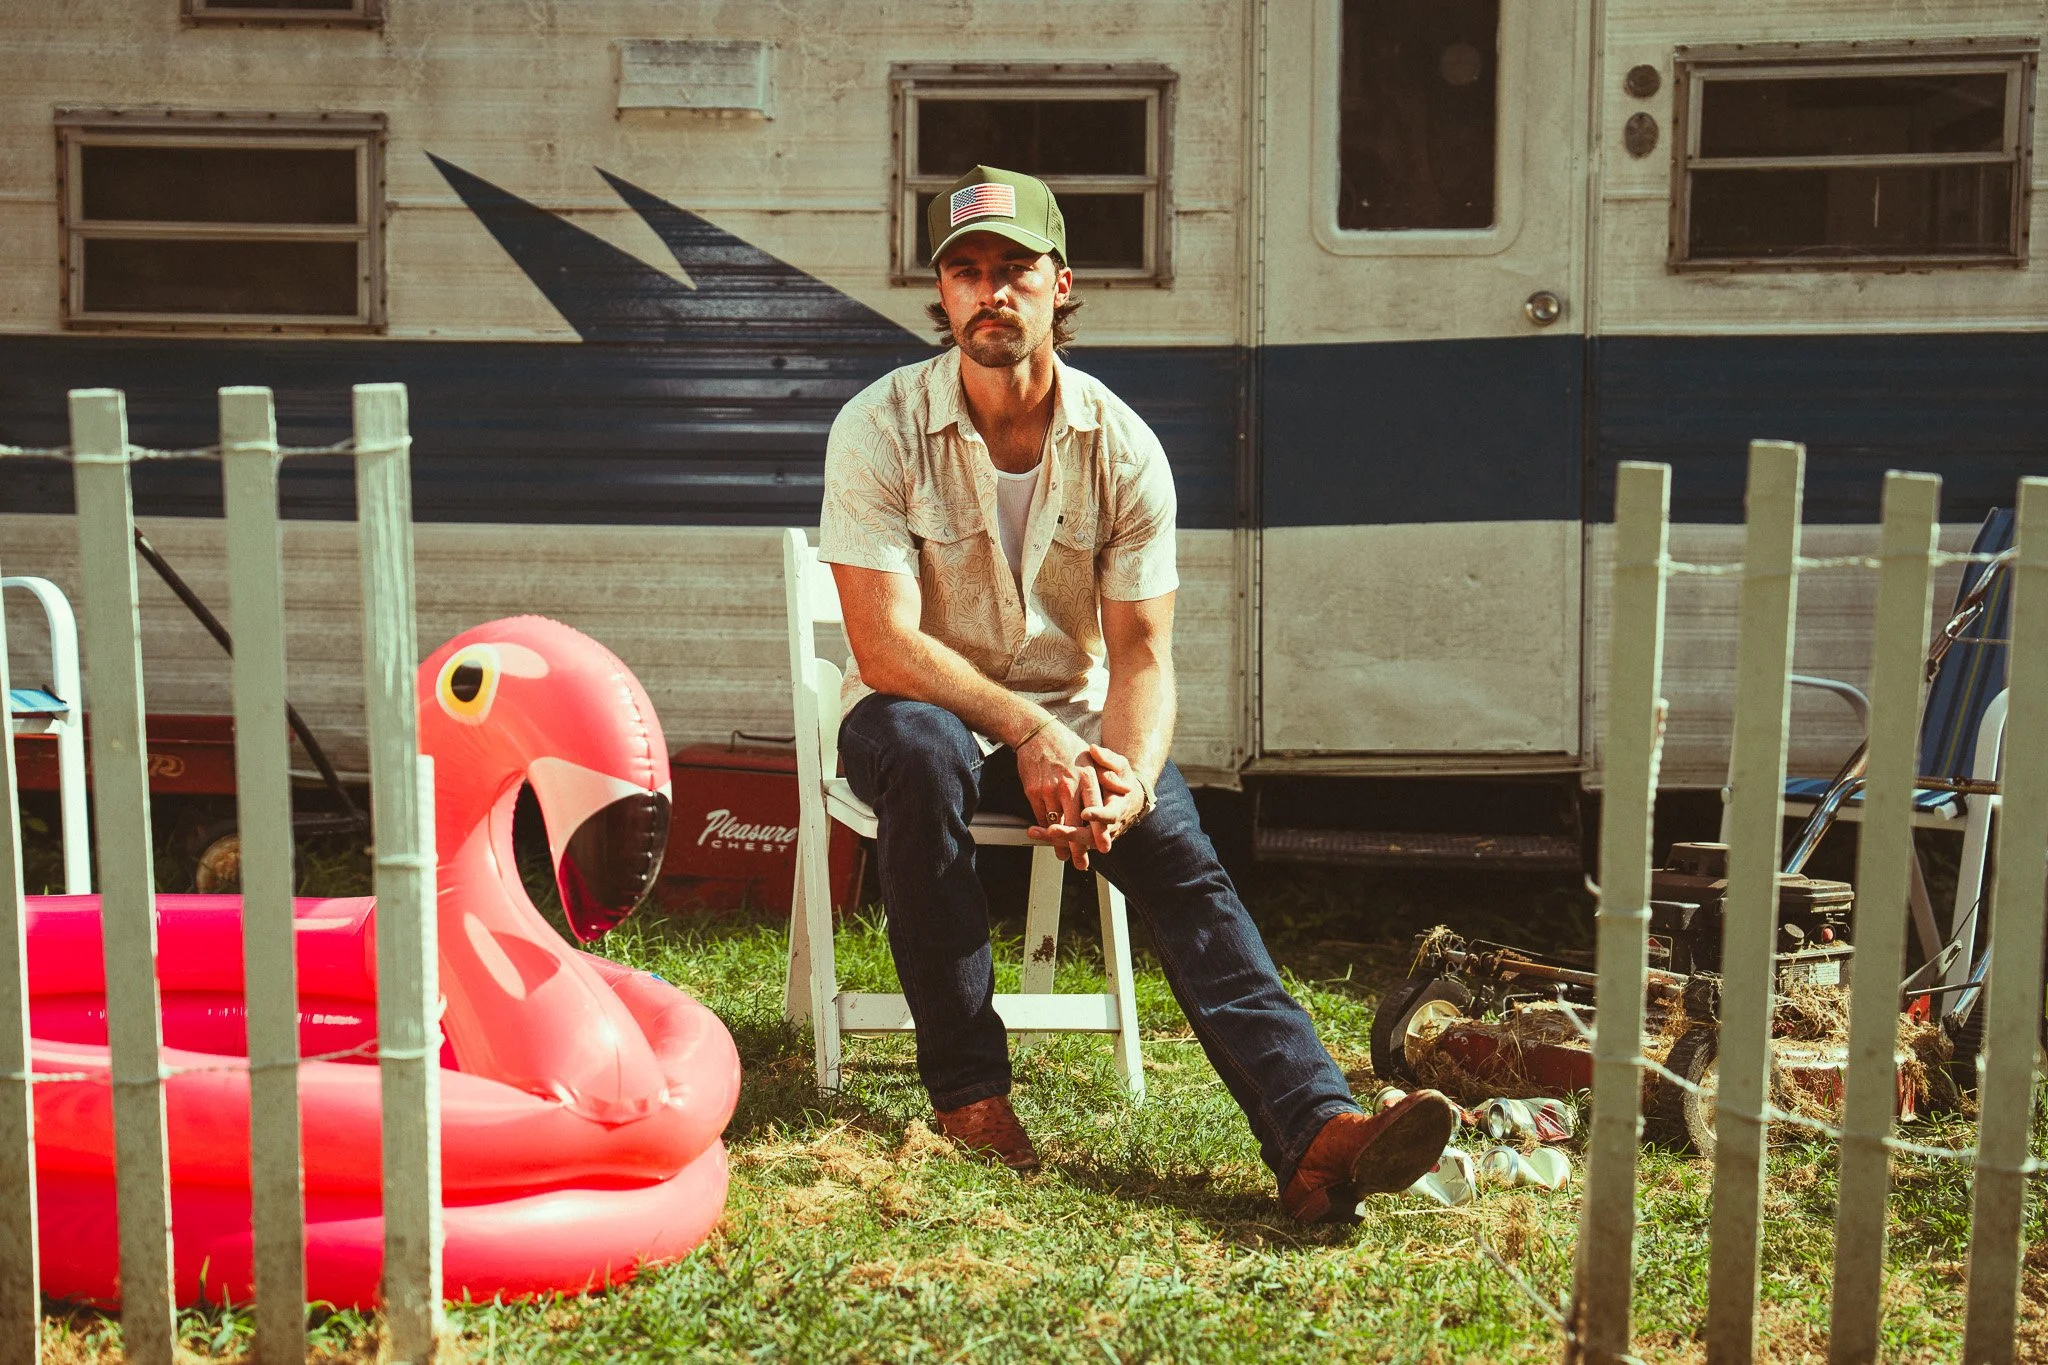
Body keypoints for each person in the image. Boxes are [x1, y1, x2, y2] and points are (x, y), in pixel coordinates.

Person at [817, 165, 1457, 1222]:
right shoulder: (879, 425)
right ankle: (970, 1097)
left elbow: (1143, 654)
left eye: (1015, 268)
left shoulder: (1121, 447)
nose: (990, 292)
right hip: (915, 711)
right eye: (966, 271)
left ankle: (1314, 1133)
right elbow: (884, 646)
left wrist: (1127, 776)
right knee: (926, 754)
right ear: (941, 292)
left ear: (1060, 283)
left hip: (1067, 719)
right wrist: (1024, 728)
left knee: (1175, 848)